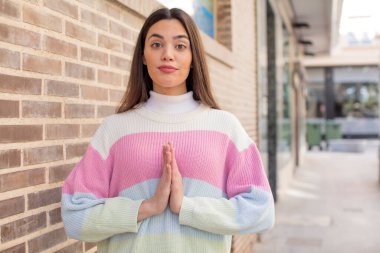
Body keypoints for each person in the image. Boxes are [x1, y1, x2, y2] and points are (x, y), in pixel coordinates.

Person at [61, 7, 274, 253]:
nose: (168, 55)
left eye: (180, 46)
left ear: (194, 57)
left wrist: (186, 207)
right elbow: (75, 217)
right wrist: (148, 206)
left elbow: (262, 210)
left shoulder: (225, 127)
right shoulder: (114, 130)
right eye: (156, 44)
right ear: (143, 55)